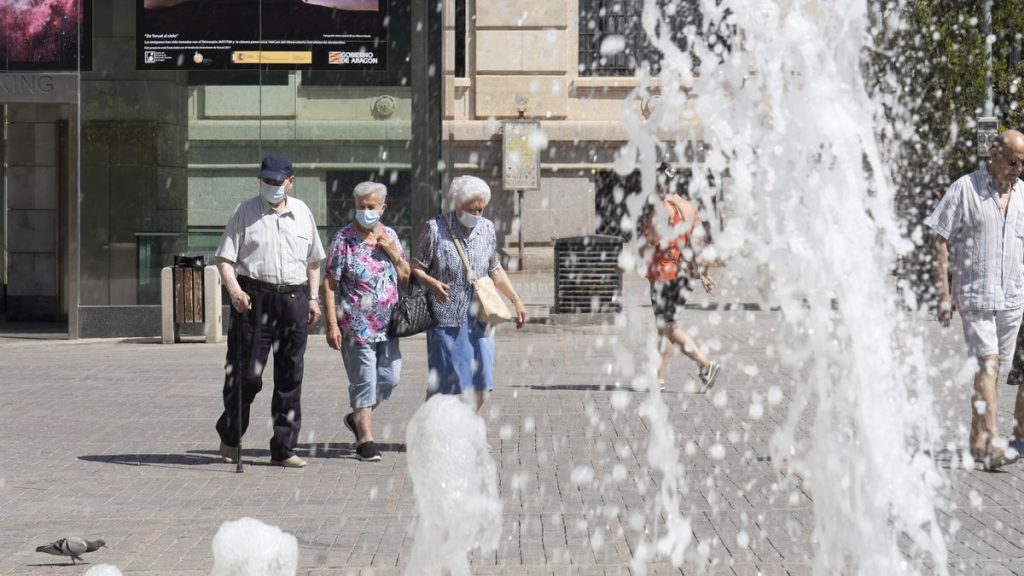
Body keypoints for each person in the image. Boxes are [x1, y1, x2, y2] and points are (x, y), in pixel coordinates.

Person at [214, 153, 326, 468]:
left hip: (293, 299)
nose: (273, 186)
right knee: (247, 375)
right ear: (261, 180)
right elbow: (224, 259)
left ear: (290, 182)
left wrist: (314, 298)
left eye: (279, 182)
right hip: (254, 298)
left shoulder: (302, 212)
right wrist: (234, 291)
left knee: (290, 376)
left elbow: (313, 260)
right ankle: (231, 432)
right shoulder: (244, 211)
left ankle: (284, 447)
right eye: (268, 181)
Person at [927, 129, 1024, 470]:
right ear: (993, 154)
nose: (1018, 170)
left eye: (1023, 164)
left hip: (1012, 299)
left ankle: (977, 439)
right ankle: (995, 444)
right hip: (975, 296)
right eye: (1013, 162)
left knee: (993, 373)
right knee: (988, 365)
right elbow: (939, 237)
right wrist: (943, 291)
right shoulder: (965, 188)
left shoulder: (1023, 195)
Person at [411, 175, 528, 412]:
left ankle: (467, 426)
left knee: (482, 382)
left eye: (480, 209)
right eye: (471, 209)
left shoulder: (486, 228)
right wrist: (433, 283)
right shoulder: (434, 228)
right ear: (456, 204)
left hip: (481, 316)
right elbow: (415, 268)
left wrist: (516, 300)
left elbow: (494, 268)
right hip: (446, 319)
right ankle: (440, 431)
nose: (476, 214)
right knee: (449, 384)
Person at [322, 182, 410, 462]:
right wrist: (332, 324)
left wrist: (394, 254)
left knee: (389, 379)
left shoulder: (391, 235)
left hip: (390, 326)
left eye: (371, 207)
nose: (365, 211)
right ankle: (365, 439)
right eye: (361, 206)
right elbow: (330, 283)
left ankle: (358, 415)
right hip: (356, 327)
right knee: (364, 381)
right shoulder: (344, 239)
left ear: (382, 208)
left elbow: (407, 276)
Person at [642, 163, 720, 393]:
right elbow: (699, 245)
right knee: (664, 326)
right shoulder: (688, 207)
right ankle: (659, 378)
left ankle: (705, 364)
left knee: (668, 327)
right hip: (683, 276)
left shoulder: (662, 208)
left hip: (665, 274)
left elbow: (655, 239)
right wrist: (703, 274)